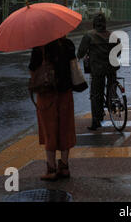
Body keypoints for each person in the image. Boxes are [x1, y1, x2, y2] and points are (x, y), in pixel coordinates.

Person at [29, 36, 76, 181]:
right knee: (65, 127)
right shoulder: (68, 45)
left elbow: (33, 70)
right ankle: (64, 166)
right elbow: (73, 67)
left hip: (46, 94)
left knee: (49, 130)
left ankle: (51, 167)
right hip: (65, 93)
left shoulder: (39, 47)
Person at [77, 13, 120, 130]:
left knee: (96, 94)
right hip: (112, 67)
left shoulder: (89, 36)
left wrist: (81, 56)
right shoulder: (113, 35)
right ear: (105, 23)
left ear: (94, 23)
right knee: (111, 86)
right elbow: (119, 51)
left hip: (97, 69)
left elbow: (80, 52)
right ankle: (112, 101)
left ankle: (96, 120)